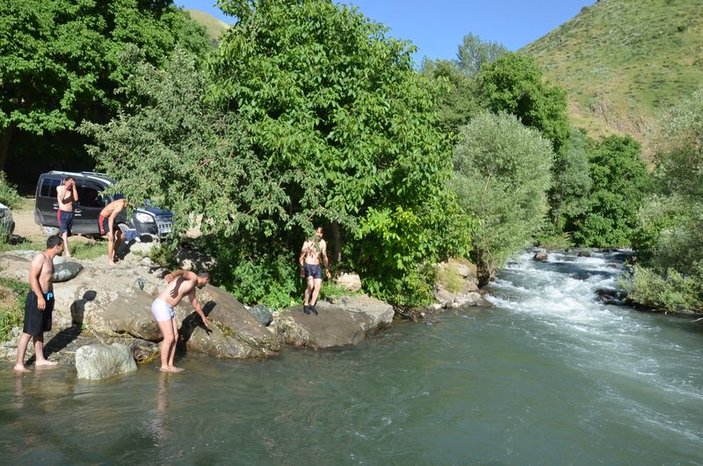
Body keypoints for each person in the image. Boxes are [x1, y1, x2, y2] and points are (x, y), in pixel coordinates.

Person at [14, 235, 64, 372]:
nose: (63, 248)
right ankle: (19, 364)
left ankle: (40, 359)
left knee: (39, 329)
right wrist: (40, 297)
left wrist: (50, 298)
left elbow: (47, 281)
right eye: (62, 245)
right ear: (57, 246)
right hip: (36, 298)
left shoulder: (50, 260)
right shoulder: (40, 257)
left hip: (46, 297)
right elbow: (32, 278)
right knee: (29, 331)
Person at [150, 270, 211, 373]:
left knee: (176, 336)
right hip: (161, 305)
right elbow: (182, 272)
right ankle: (164, 367)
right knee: (169, 337)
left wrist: (203, 317)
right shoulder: (193, 277)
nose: (205, 285)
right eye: (207, 282)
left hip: (168, 308)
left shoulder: (192, 289)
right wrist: (172, 275)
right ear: (205, 279)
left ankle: (170, 365)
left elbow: (195, 303)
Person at [299, 226, 331, 315]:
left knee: (318, 286)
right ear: (314, 232)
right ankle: (305, 304)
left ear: (322, 234)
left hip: (317, 266)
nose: (318, 234)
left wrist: (327, 269)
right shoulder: (308, 241)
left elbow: (324, 256)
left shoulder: (323, 243)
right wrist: (302, 268)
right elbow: (301, 256)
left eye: (320, 233)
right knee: (310, 285)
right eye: (317, 232)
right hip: (308, 265)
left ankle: (312, 305)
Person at [98, 197, 128, 265]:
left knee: (122, 235)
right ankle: (110, 260)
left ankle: (113, 254)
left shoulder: (123, 202)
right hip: (104, 219)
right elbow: (111, 218)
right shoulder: (120, 205)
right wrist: (111, 232)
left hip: (111, 220)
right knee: (111, 238)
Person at [56, 176, 78, 258]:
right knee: (64, 233)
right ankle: (67, 252)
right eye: (69, 182)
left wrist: (74, 187)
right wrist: (66, 187)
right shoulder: (60, 188)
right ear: (65, 181)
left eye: (72, 182)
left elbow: (76, 198)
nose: (70, 184)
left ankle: (57, 247)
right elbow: (61, 198)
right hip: (62, 212)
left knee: (65, 234)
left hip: (70, 213)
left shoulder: (72, 190)